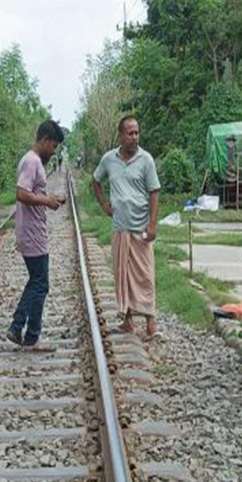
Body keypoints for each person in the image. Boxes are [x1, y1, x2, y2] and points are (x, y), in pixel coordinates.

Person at [92, 116, 162, 340]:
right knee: (122, 275)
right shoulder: (108, 159)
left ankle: (151, 323)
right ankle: (127, 321)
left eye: (137, 133)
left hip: (140, 227)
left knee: (145, 275)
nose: (134, 137)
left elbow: (154, 192)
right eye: (130, 133)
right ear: (121, 135)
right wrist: (104, 205)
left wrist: (152, 223)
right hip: (120, 227)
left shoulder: (146, 160)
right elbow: (96, 181)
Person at [7, 119, 65, 351]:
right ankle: (21, 328)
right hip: (32, 232)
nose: (53, 151)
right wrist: (47, 202)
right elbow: (22, 194)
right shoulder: (32, 161)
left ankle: (28, 333)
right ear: (44, 140)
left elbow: (32, 193)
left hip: (33, 230)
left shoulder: (33, 161)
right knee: (40, 283)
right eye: (53, 146)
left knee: (38, 282)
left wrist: (50, 199)